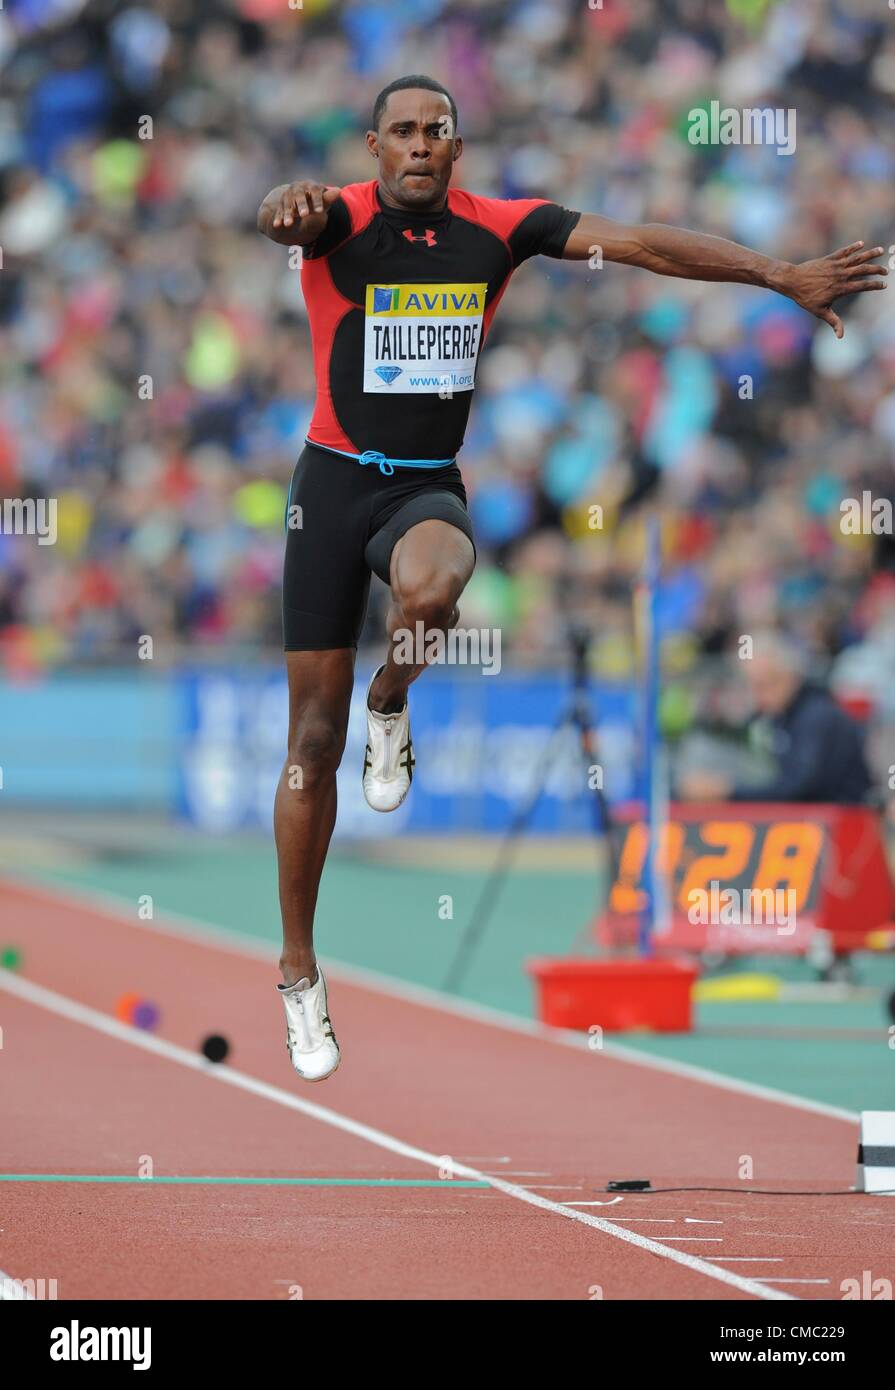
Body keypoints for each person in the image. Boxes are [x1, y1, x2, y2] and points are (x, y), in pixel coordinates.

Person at [257, 73, 887, 1081]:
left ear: (456, 150)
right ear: (373, 147)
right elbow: (286, 210)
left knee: (432, 592)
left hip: (423, 486)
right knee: (308, 742)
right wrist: (282, 206)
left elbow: (641, 242)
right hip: (328, 489)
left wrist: (779, 275)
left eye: (438, 132)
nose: (421, 146)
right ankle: (298, 971)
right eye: (402, 133)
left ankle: (393, 697)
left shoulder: (498, 229)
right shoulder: (335, 221)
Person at [679, 632, 874, 805]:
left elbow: (797, 788)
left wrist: (725, 791)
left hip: (845, 827)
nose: (759, 695)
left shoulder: (818, 716)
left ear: (791, 677)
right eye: (753, 685)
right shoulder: (781, 716)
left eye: (767, 683)